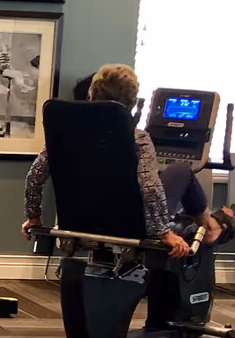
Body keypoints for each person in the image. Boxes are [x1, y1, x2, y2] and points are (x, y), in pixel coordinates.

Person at [22, 63, 190, 258]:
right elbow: (150, 187)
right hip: (131, 224)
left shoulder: (66, 134)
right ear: (132, 102)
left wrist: (33, 217)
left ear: (91, 94)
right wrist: (164, 232)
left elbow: (34, 177)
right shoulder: (138, 138)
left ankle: (213, 225)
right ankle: (214, 226)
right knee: (181, 171)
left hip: (77, 220)